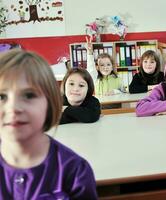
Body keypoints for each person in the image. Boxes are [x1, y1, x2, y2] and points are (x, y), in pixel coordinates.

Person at [0, 49, 98, 199]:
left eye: (29, 95)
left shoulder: (75, 171)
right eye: (1, 96)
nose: (13, 108)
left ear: (50, 102)